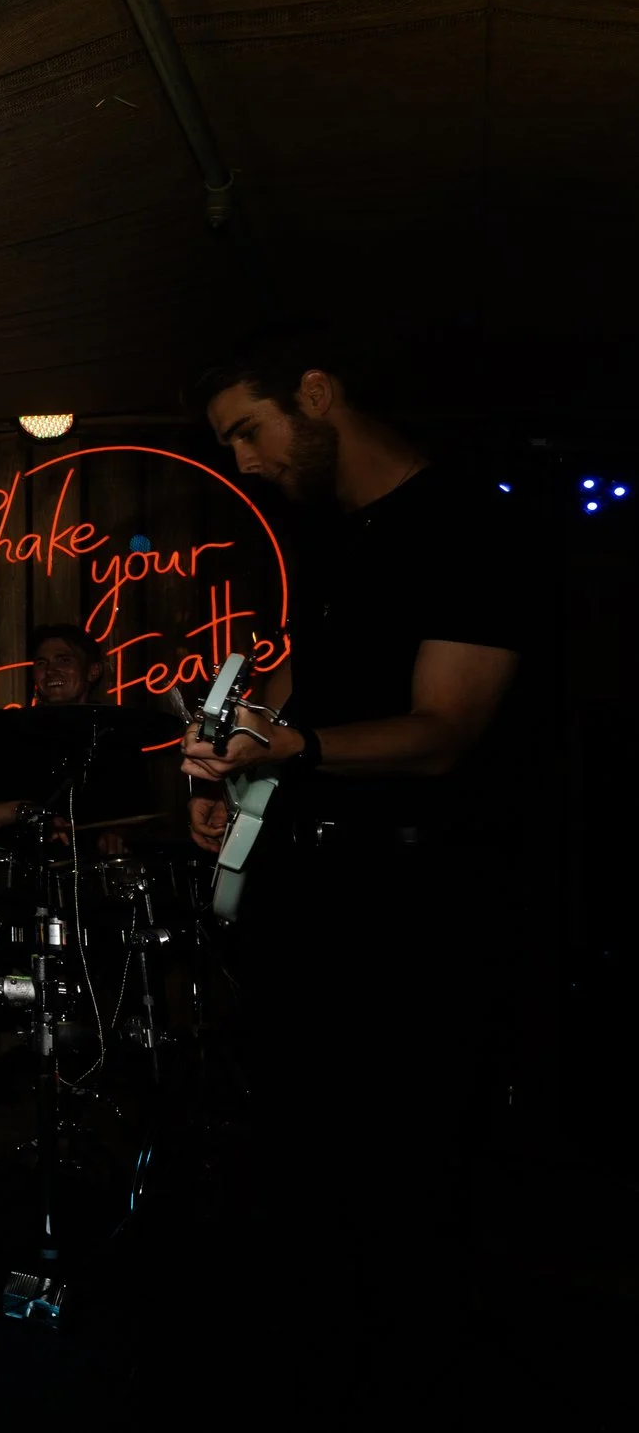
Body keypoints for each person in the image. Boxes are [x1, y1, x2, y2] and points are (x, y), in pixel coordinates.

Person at [177, 345, 525, 1414]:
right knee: (292, 1172)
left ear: (316, 395)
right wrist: (227, 760)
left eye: (249, 430)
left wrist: (295, 749)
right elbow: (291, 690)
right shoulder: (328, 538)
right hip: (306, 898)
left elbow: (442, 730)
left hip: (412, 915)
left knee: (401, 1190)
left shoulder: (470, 520)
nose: (244, 460)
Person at [0, 623, 158, 857]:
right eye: (41, 663)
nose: (50, 671)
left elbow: (141, 818)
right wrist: (24, 811)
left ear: (93, 671)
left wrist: (118, 836)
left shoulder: (118, 733)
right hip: (16, 877)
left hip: (91, 880)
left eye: (64, 660)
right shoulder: (3, 725)